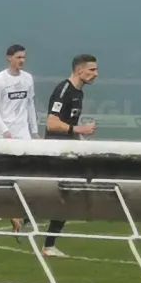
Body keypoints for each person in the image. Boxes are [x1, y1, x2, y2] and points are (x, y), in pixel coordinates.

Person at [41, 54, 99, 257]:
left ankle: (42, 238)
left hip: (68, 150)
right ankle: (45, 242)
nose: (96, 74)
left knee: (66, 197)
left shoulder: (79, 93)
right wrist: (80, 130)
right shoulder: (64, 89)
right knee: (65, 197)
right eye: (92, 70)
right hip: (57, 151)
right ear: (79, 70)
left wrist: (79, 139)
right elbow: (52, 123)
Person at [0, 44, 38, 234]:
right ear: (9, 58)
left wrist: (33, 130)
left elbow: (30, 104)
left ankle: (18, 210)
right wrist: (4, 130)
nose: (22, 60)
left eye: (24, 57)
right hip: (3, 132)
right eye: (18, 57)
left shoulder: (28, 79)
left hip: (22, 131)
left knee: (23, 170)